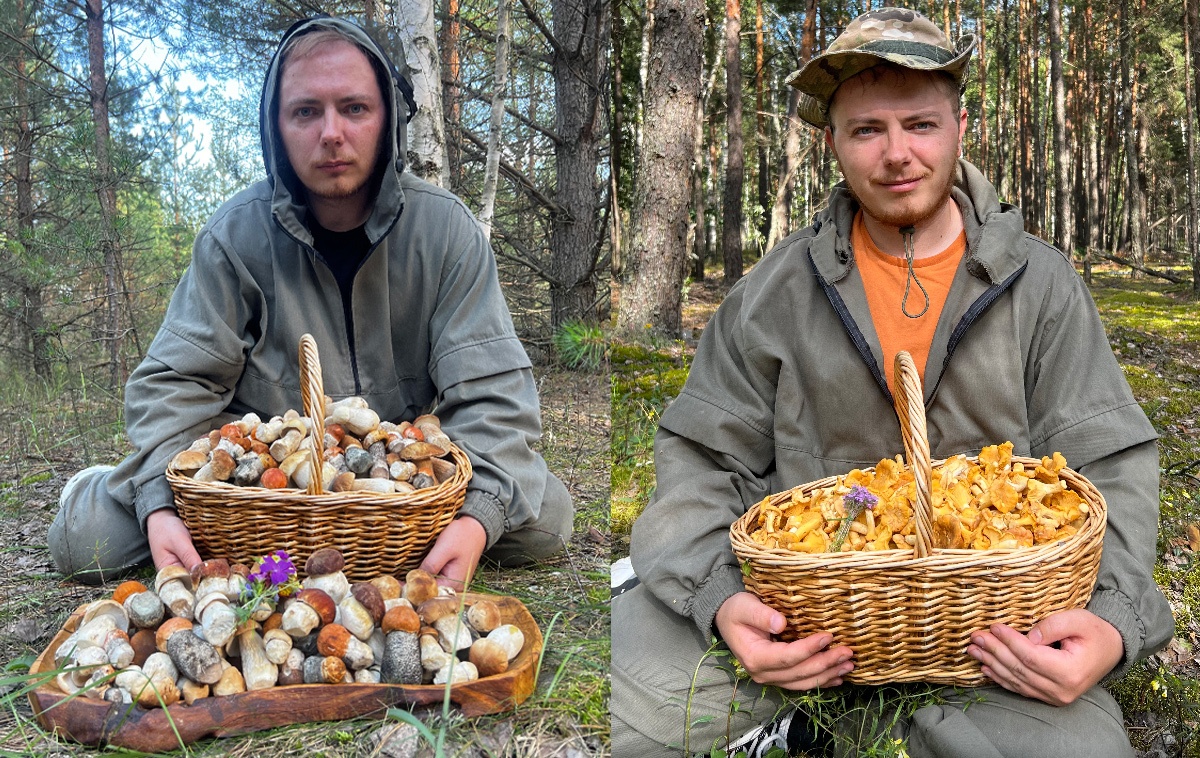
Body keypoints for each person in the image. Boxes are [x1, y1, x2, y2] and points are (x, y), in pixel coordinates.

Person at [611, 7, 1172, 757]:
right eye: (867, 130)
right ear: (834, 142)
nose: (897, 154)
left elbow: (1110, 464)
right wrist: (721, 601)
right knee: (621, 715)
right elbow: (701, 457)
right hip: (799, 625)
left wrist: (1111, 620)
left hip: (991, 646)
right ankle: (794, 719)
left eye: (921, 125)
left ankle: (891, 728)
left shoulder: (1038, 284)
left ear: (960, 126)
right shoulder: (776, 292)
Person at [48, 16, 573, 589]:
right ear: (276, 126)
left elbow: (494, 394)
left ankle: (414, 535)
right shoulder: (234, 237)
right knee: (86, 539)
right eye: (305, 112)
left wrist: (477, 518)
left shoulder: (446, 231)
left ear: (388, 120)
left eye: (354, 108)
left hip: (400, 472)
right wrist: (159, 502)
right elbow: (174, 386)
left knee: (545, 520)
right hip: (268, 477)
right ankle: (99, 485)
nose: (331, 133)